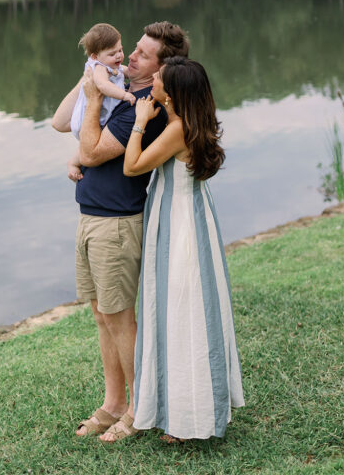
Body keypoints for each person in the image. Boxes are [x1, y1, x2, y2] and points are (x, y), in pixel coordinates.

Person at [51, 21, 190, 439]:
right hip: (91, 216)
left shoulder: (143, 104)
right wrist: (90, 76)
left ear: (161, 68)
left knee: (119, 317)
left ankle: (138, 407)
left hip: (117, 223)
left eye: (143, 55)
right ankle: (113, 404)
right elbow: (60, 122)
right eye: (133, 49)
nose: (130, 56)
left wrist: (95, 102)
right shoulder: (115, 89)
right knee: (101, 315)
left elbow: (92, 152)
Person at [100, 56, 244, 444]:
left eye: (161, 77)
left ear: (174, 91)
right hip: (183, 217)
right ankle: (181, 409)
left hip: (181, 224)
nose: (155, 77)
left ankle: (188, 418)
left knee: (183, 316)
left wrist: (141, 122)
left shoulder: (177, 129)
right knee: (181, 312)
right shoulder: (186, 121)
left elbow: (132, 167)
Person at [70, 23, 136, 139]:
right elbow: (103, 85)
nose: (118, 56)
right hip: (86, 123)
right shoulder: (99, 68)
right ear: (95, 57)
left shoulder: (109, 64)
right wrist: (124, 95)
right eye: (112, 54)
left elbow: (122, 71)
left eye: (120, 50)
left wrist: (135, 74)